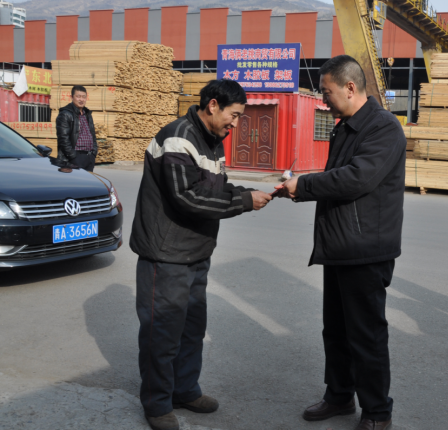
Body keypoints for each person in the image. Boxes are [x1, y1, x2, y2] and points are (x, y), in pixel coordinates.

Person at [129, 80, 273, 430]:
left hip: (195, 252)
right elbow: (188, 197)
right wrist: (244, 202)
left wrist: (248, 192)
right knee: (162, 334)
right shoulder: (178, 138)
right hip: (167, 255)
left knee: (192, 330)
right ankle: (157, 404)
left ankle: (184, 390)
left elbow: (215, 188)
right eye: (234, 115)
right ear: (212, 105)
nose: (235, 123)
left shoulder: (212, 140)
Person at [275, 55, 406, 430]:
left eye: (326, 92)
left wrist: (304, 185)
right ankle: (339, 395)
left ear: (350, 88)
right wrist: (301, 187)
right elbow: (337, 179)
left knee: (366, 335)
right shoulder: (345, 127)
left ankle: (377, 412)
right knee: (335, 330)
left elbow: (356, 179)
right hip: (339, 245)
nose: (323, 99)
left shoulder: (383, 128)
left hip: (365, 250)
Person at [55, 85, 98, 171]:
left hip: (89, 157)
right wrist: (73, 156)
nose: (81, 99)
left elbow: (92, 135)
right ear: (72, 97)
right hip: (75, 158)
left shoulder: (87, 114)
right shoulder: (65, 114)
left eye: (83, 97)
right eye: (78, 96)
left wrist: (94, 152)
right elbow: (63, 138)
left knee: (89, 180)